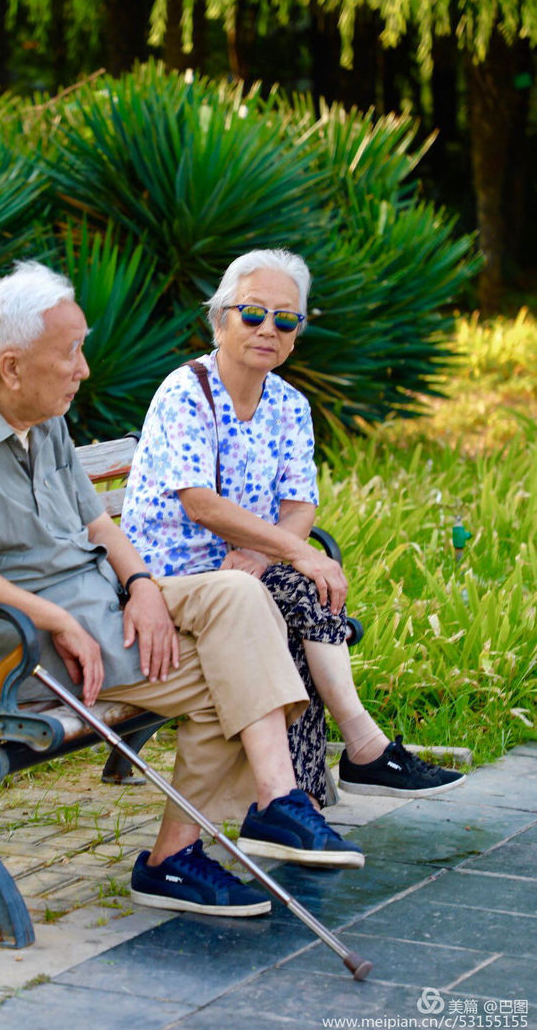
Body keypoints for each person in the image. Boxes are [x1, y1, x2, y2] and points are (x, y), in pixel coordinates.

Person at [0, 259, 365, 924]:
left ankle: (276, 801)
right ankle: (182, 853)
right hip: (29, 647)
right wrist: (57, 616)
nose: (83, 369)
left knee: (239, 595)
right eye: (71, 352)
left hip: (103, 609)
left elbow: (98, 522)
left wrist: (140, 584)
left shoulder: (41, 412)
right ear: (13, 364)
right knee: (242, 678)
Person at [121, 248, 465, 802]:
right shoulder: (186, 392)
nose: (268, 329)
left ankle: (303, 801)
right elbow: (200, 503)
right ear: (220, 318)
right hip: (170, 580)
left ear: (297, 332)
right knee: (303, 585)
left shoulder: (289, 405)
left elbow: (301, 505)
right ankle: (358, 751)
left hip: (242, 575)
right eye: (252, 314)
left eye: (285, 320)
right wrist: (297, 554)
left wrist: (265, 555)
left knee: (294, 596)